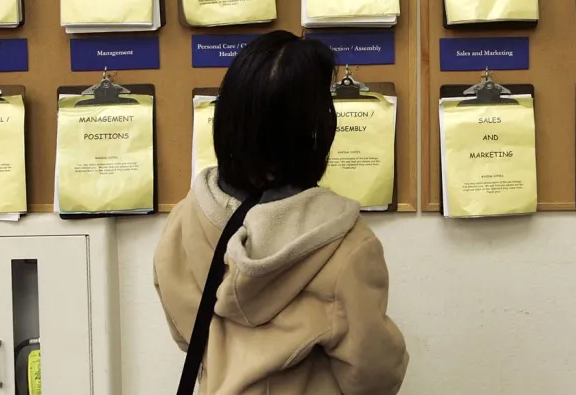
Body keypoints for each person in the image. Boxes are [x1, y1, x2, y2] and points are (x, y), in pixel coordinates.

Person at [154, 30, 408, 394]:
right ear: (315, 128)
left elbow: (186, 335)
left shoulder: (185, 219)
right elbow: (375, 375)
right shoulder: (346, 245)